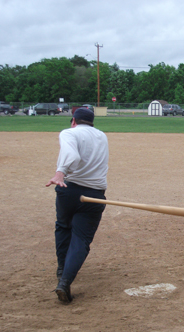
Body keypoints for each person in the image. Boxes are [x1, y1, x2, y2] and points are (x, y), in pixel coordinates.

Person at [46, 108, 109, 304]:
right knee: (81, 239)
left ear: (73, 120)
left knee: (63, 227)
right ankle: (64, 281)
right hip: (95, 195)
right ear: (92, 122)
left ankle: (61, 270)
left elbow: (71, 156)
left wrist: (60, 172)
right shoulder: (102, 136)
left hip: (69, 190)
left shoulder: (69, 132)